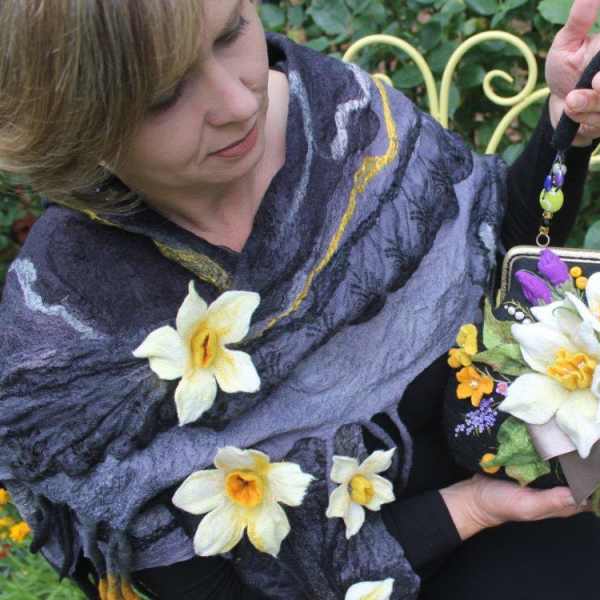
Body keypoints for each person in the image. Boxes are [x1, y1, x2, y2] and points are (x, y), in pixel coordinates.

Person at [1, 1, 600, 598]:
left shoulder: (340, 118)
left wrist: (566, 129)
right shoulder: (70, 325)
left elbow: (493, 252)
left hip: (525, 540)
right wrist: (465, 510)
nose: (239, 103)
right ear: (72, 119)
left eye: (231, 33)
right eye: (165, 94)